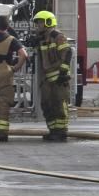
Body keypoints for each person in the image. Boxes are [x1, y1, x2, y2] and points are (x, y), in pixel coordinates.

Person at [32, 11, 73, 142]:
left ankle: (62, 132)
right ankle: (53, 131)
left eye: (40, 22)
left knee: (59, 105)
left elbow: (67, 53)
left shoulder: (58, 36)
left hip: (58, 78)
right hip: (47, 79)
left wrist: (63, 73)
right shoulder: (43, 39)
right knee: (47, 105)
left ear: (48, 22)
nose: (38, 25)